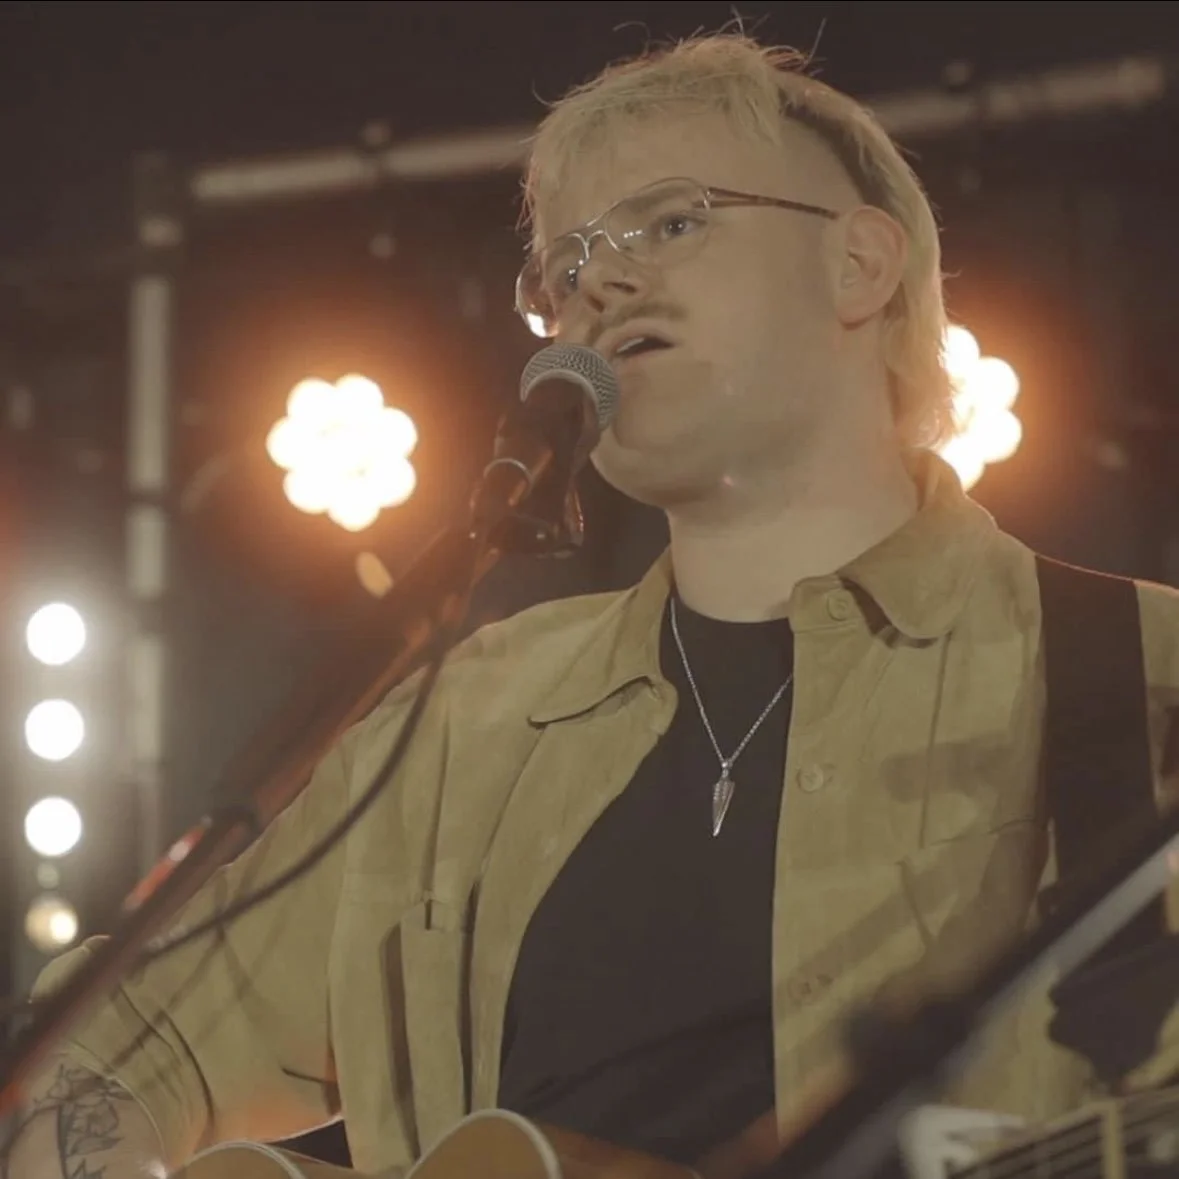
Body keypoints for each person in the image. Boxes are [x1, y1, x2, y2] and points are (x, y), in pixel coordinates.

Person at [11, 31, 1179, 1179]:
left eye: (673, 222)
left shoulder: (1139, 672)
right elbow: (117, 1049)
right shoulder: (467, 722)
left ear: (859, 267)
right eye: (564, 268)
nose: (601, 281)